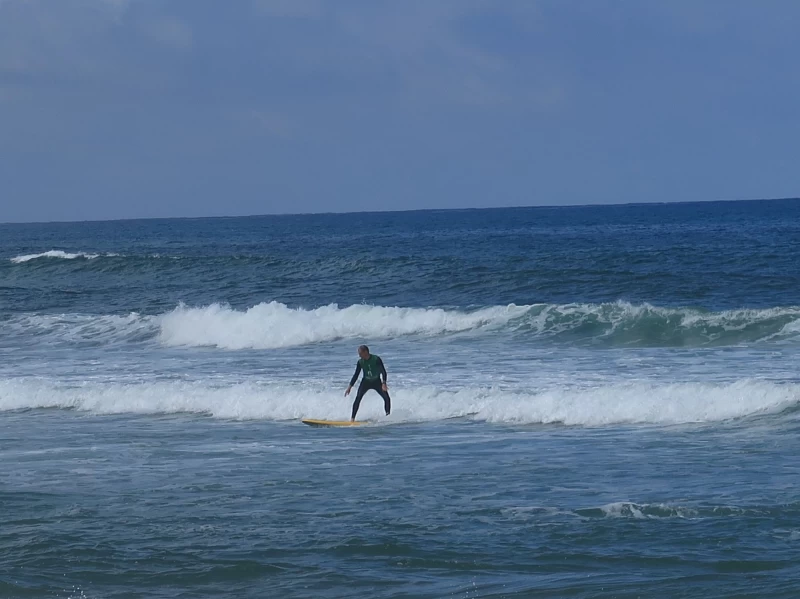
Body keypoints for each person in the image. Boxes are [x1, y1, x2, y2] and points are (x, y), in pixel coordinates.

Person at [345, 345, 391, 422]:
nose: (359, 355)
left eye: (360, 353)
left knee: (387, 398)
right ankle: (352, 419)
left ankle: (388, 417)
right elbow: (356, 374)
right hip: (366, 382)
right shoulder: (360, 362)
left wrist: (384, 383)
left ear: (365, 352)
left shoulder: (376, 359)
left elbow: (383, 371)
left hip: (377, 382)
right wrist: (350, 387)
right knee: (358, 398)